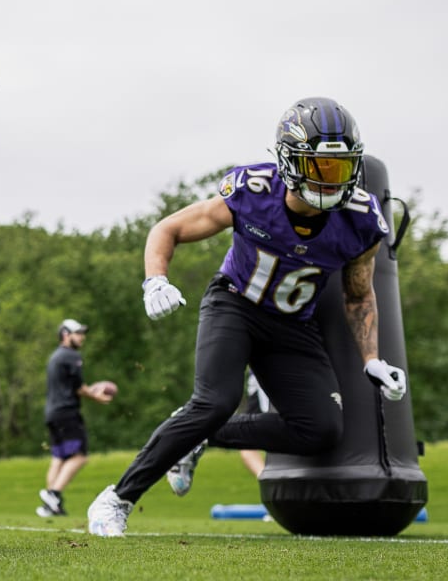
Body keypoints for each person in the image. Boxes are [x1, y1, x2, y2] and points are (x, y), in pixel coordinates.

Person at [87, 98, 408, 538]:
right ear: (291, 161)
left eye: (340, 166)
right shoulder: (253, 189)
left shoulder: (361, 219)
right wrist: (155, 280)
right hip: (235, 304)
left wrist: (371, 359)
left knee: (321, 429)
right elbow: (169, 228)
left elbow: (358, 294)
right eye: (321, 166)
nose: (332, 179)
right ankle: (117, 498)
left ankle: (200, 436)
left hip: (292, 325)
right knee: (215, 401)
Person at [38, 319, 116, 518]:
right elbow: (78, 388)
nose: (82, 337)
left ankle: (50, 506)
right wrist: (96, 394)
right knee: (79, 456)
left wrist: (91, 389)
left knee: (59, 457)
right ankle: (53, 494)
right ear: (66, 334)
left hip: (52, 413)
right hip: (67, 413)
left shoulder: (55, 357)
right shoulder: (71, 356)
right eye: (78, 333)